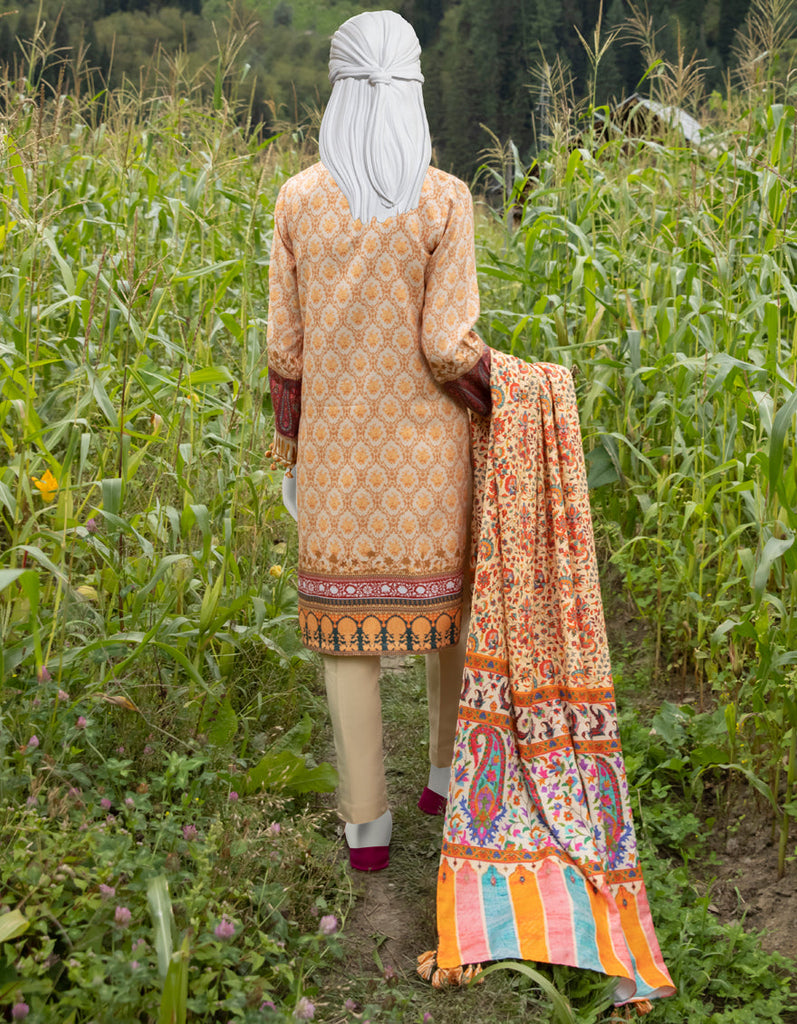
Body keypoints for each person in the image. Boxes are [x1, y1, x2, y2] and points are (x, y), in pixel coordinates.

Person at [266, 10, 491, 870]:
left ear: (338, 87)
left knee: (342, 640)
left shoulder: (297, 199)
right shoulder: (444, 199)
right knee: (449, 619)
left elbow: (285, 352)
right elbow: (447, 346)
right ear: (414, 88)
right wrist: (511, 391)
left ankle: (366, 827)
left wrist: (290, 451)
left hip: (335, 457)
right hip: (430, 459)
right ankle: (444, 778)